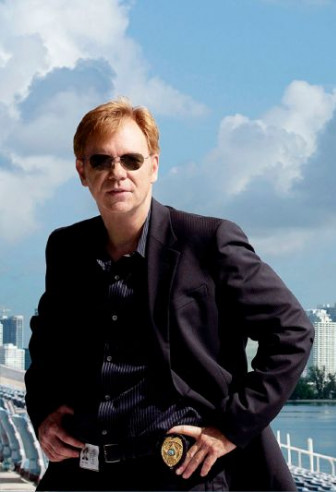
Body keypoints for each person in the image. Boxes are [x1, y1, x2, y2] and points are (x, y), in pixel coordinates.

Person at [25, 98, 314, 491]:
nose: (117, 173)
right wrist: (43, 414)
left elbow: (292, 331)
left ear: (154, 167)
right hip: (85, 473)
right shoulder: (67, 248)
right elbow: (46, 347)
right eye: (101, 161)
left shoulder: (208, 241)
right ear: (82, 171)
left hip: (184, 476)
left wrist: (230, 428)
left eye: (131, 160)